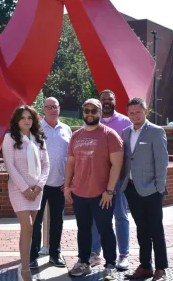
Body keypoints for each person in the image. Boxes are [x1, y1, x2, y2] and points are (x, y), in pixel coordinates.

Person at [64, 98, 123, 280]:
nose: (90, 114)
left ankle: (110, 265)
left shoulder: (110, 135)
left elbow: (116, 165)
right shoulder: (76, 135)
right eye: (87, 110)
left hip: (102, 194)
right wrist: (67, 187)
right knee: (83, 229)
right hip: (79, 192)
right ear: (83, 112)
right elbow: (71, 164)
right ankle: (84, 262)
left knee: (105, 229)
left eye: (94, 111)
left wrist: (110, 191)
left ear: (99, 113)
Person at [121, 98, 169, 281]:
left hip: (152, 190)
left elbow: (162, 161)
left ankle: (160, 268)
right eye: (131, 113)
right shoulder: (125, 132)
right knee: (142, 229)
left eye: (138, 112)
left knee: (156, 229)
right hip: (132, 190)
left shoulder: (156, 132)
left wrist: (159, 187)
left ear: (145, 111)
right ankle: (145, 266)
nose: (135, 116)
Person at [2, 105, 50, 281]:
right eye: (23, 118)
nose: (27, 121)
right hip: (18, 189)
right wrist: (25, 189)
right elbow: (10, 166)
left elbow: (46, 165)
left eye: (29, 117)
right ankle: (24, 271)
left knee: (29, 230)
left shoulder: (39, 138)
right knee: (27, 227)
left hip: (37, 191)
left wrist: (38, 187)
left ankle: (25, 265)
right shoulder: (9, 138)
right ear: (17, 120)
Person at [90, 90, 132, 270]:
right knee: (95, 217)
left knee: (120, 216)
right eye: (103, 99)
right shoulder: (92, 122)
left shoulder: (125, 122)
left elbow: (130, 152)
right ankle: (94, 253)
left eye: (110, 99)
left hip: (118, 179)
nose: (107, 102)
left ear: (115, 101)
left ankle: (124, 254)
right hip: (97, 178)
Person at [30, 98, 71, 269]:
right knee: (36, 221)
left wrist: (69, 181)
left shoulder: (67, 129)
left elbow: (71, 157)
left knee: (57, 221)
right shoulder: (36, 129)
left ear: (59, 109)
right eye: (49, 107)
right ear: (43, 109)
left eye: (55, 107)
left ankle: (55, 253)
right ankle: (32, 255)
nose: (52, 109)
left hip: (60, 183)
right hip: (40, 184)